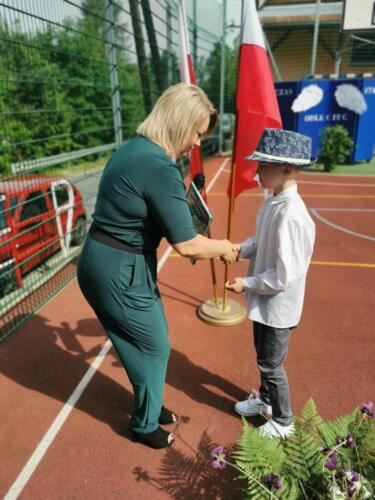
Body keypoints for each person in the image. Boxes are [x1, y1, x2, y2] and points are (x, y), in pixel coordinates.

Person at [77, 83, 238, 449]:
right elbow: (186, 243)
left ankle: (149, 404)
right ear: (181, 123)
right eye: (197, 134)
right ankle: (144, 424)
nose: (198, 143)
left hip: (103, 258)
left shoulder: (134, 149)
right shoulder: (158, 165)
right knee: (155, 346)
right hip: (120, 268)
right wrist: (225, 247)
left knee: (140, 340)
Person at [226, 128, 315, 439]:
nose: (258, 171)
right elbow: (261, 240)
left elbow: (284, 276)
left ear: (287, 170)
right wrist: (240, 249)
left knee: (271, 364)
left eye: (264, 166)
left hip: (278, 305)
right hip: (266, 301)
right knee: (264, 357)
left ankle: (284, 421)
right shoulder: (274, 201)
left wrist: (246, 283)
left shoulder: (292, 214)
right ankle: (265, 402)